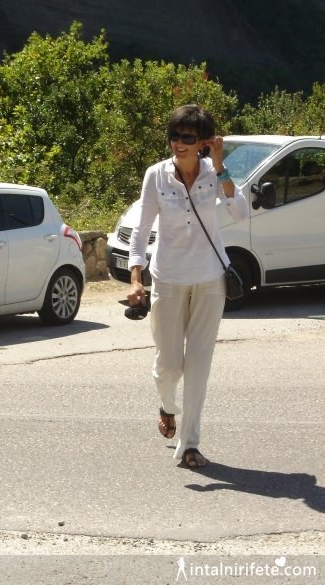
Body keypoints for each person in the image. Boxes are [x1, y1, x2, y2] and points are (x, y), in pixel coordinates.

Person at [127, 104, 248, 468]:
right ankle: (167, 406)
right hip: (168, 278)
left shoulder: (215, 174)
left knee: (198, 366)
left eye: (188, 138)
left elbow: (239, 211)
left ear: (204, 143)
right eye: (174, 136)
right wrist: (136, 278)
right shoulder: (156, 175)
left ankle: (190, 443)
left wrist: (221, 165)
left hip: (210, 279)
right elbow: (141, 230)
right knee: (169, 364)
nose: (178, 143)